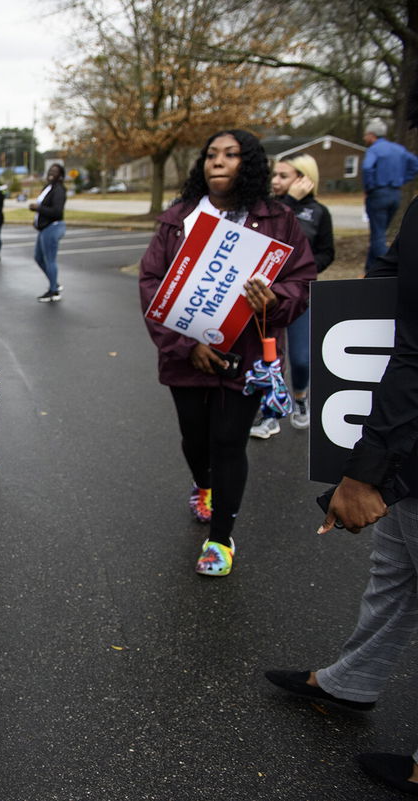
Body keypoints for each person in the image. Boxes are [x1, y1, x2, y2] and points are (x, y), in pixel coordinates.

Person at [265, 193, 418, 795]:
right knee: (397, 566)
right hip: (406, 440)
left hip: (402, 430)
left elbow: (412, 351)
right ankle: (352, 680)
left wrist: (365, 471)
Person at [138, 130, 316, 576]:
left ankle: (220, 539)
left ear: (249, 164)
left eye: (231, 154)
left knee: (229, 442)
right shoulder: (178, 219)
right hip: (186, 356)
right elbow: (152, 286)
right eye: (211, 154)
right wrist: (186, 345)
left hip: (248, 356)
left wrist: (275, 298)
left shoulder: (277, 220)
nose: (218, 161)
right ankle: (203, 484)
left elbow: (303, 279)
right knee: (196, 439)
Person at [250, 154, 334, 439]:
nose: (275, 181)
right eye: (275, 175)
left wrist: (307, 269)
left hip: (299, 296)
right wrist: (291, 203)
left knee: (300, 359)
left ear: (305, 179)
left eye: (283, 176)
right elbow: (265, 237)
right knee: (269, 359)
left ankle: (300, 399)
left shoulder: (319, 212)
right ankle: (270, 415)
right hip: (265, 297)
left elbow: (326, 251)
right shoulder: (268, 209)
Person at [362, 119, 418, 272]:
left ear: (372, 135)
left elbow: (367, 168)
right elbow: (415, 164)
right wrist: (403, 179)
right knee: (379, 232)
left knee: (378, 235)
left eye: (366, 135)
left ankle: (384, 272)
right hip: (395, 194)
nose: (364, 138)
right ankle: (370, 269)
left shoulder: (374, 150)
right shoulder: (398, 149)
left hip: (378, 194)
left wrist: (369, 187)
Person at [29, 164, 67, 302]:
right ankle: (54, 282)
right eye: (50, 170)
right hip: (44, 228)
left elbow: (57, 211)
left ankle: (53, 291)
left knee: (50, 259)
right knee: (38, 257)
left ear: (61, 175)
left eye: (55, 171)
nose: (51, 172)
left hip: (53, 227)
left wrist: (39, 208)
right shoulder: (48, 187)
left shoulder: (59, 190)